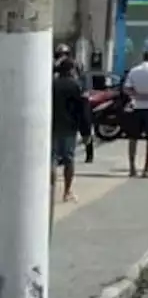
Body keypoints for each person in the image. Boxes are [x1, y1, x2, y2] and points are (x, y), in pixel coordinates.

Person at [51, 57, 92, 203]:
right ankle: (67, 191)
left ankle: (50, 191)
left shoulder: (51, 84)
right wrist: (86, 132)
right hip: (69, 127)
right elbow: (83, 110)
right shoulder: (77, 86)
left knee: (52, 160)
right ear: (72, 70)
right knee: (68, 159)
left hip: (52, 126)